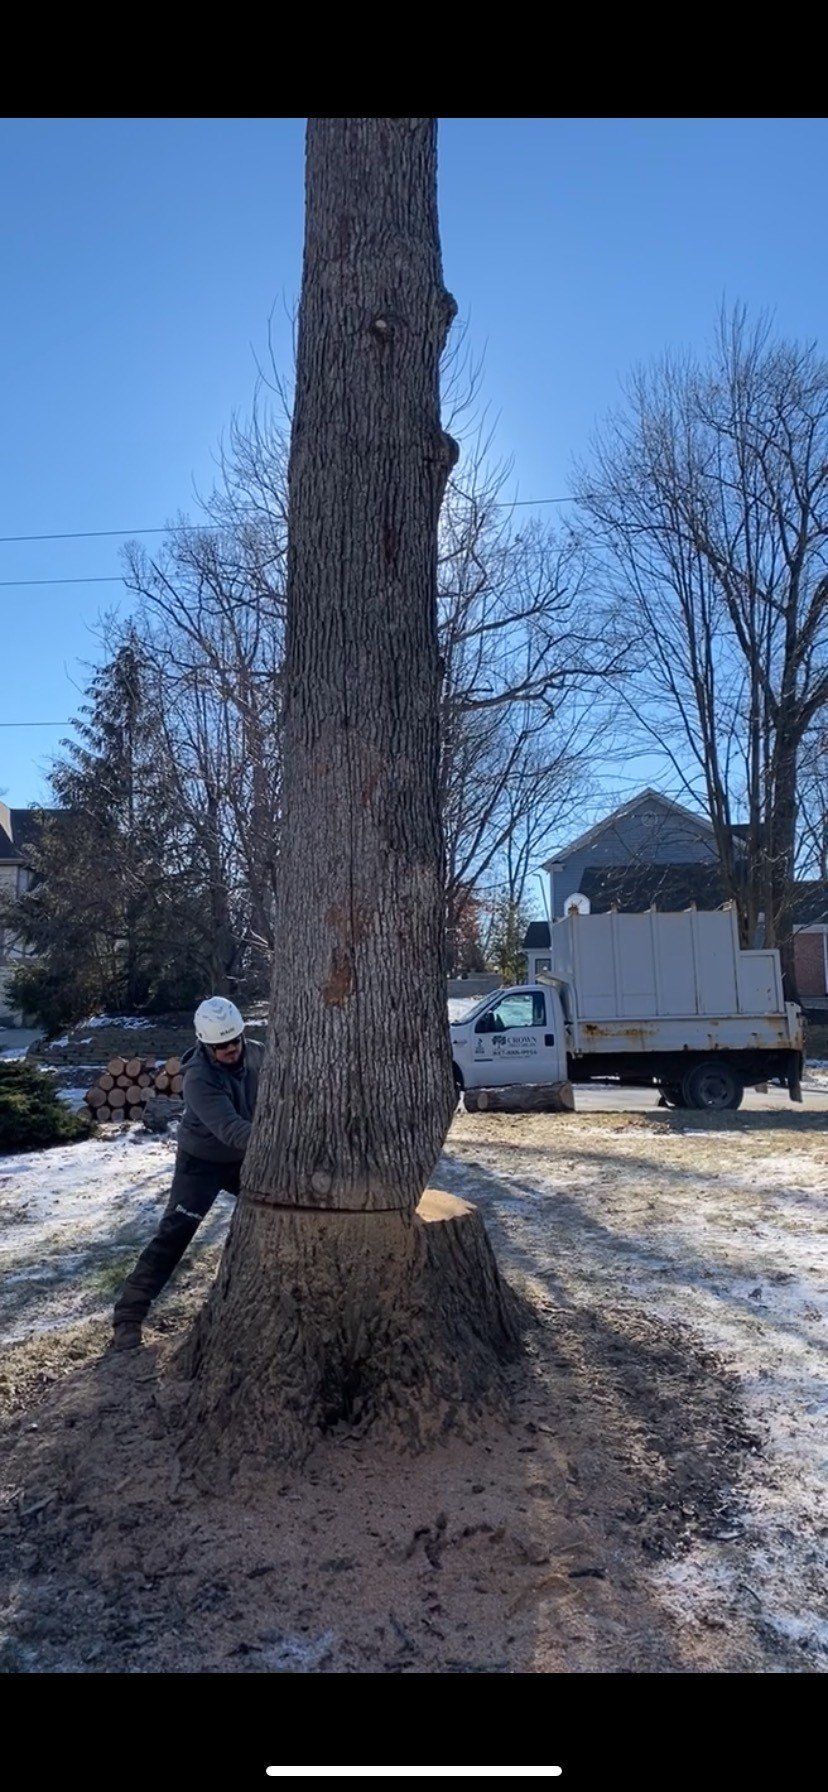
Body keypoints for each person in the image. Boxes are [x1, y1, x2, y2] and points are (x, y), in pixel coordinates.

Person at [109, 996, 264, 1350]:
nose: (230, 1049)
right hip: (201, 1163)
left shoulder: (257, 1053)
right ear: (205, 1044)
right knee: (175, 1233)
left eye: (234, 1041)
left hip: (245, 1157)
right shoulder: (198, 1079)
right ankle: (129, 1314)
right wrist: (282, 1139)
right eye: (220, 1046)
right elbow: (232, 1130)